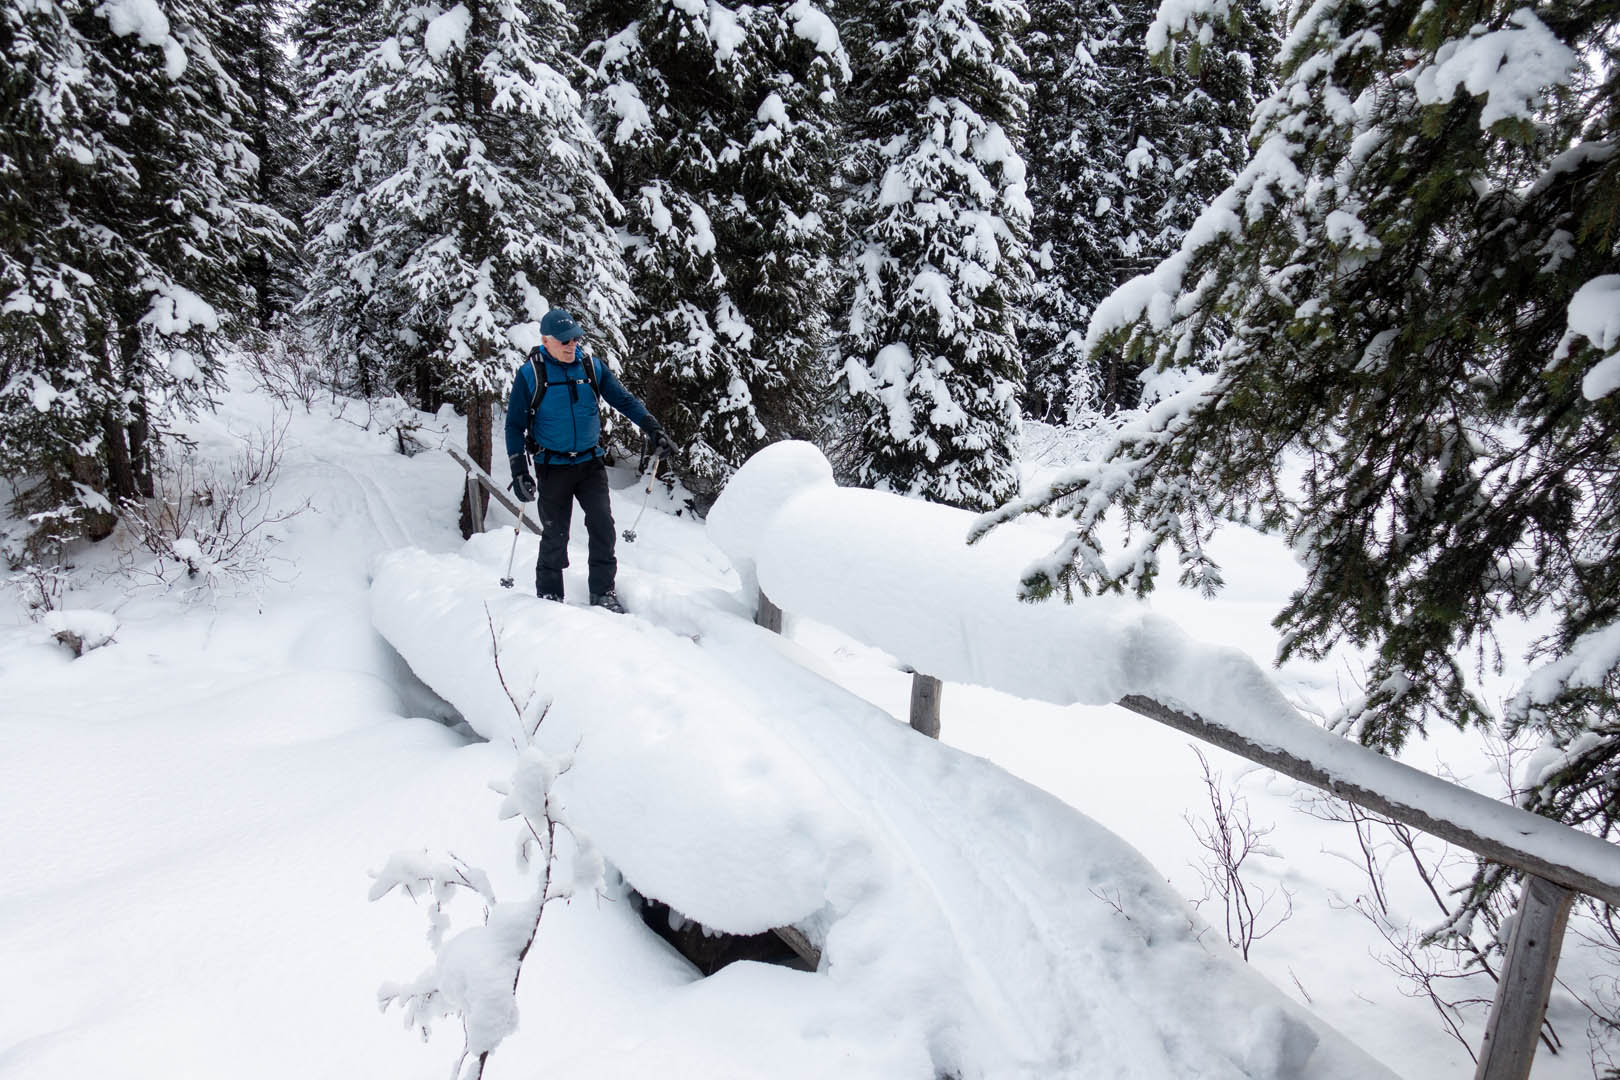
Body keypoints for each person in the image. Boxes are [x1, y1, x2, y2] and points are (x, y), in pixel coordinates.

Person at [505, 307, 676, 611]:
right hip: (552, 466)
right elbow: (514, 425)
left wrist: (653, 429)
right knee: (555, 534)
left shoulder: (590, 367)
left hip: (590, 463)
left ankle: (602, 593)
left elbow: (623, 399)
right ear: (546, 340)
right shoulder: (531, 374)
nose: (571, 345)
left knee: (603, 527)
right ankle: (549, 597)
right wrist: (519, 469)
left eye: (575, 339)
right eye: (564, 341)